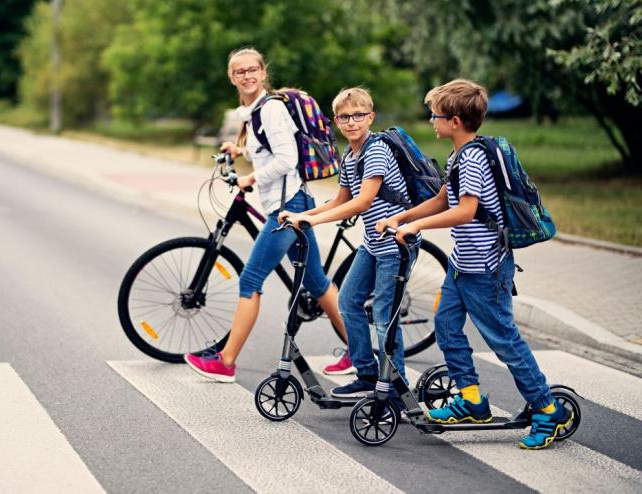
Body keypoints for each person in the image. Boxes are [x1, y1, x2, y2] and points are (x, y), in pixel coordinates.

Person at [376, 79, 572, 449]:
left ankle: (547, 410)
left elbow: (465, 212)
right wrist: (403, 218)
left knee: (503, 339)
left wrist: (415, 226)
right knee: (447, 326)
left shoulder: (473, 158)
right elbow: (440, 200)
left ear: (453, 120)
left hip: (486, 267)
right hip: (461, 265)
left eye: (434, 115)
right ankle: (471, 400)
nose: (430, 121)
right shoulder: (458, 155)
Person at [184, 47, 347, 382]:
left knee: (251, 280)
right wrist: (241, 150)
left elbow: (287, 160)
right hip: (291, 202)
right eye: (240, 71)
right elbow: (268, 148)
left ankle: (226, 361)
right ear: (232, 77)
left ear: (262, 71)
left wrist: (251, 177)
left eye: (252, 70)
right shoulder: (253, 111)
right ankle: (363, 354)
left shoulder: (271, 109)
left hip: (287, 209)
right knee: (316, 281)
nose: (247, 75)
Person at [280, 87, 416, 396]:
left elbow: (363, 202)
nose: (351, 122)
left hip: (396, 245)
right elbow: (341, 198)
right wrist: (301, 214)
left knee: (384, 316)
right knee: (348, 301)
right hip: (373, 243)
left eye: (358, 116)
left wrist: (312, 221)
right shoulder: (350, 153)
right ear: (336, 121)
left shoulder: (377, 150)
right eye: (344, 117)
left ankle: (397, 386)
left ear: (370, 117)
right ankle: (368, 374)